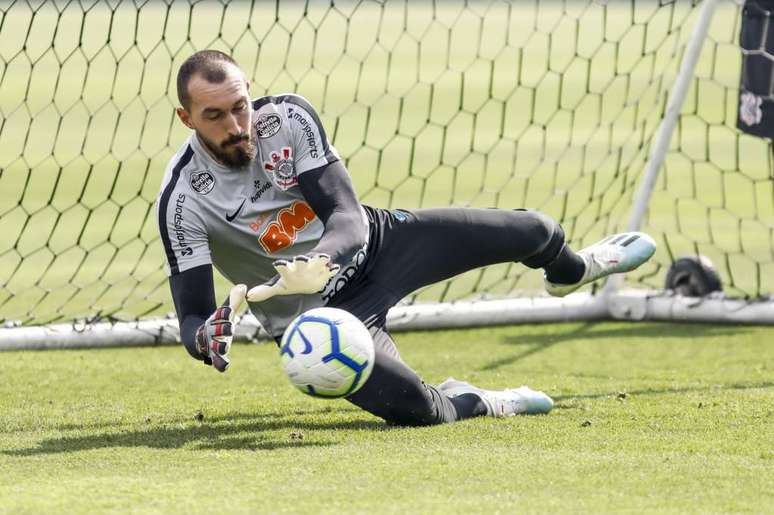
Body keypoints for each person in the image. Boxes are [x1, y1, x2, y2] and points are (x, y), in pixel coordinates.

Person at [157, 50, 656, 426]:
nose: (237, 126)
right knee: (420, 412)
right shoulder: (182, 199)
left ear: (250, 92)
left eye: (240, 107)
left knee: (538, 230)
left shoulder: (287, 118)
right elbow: (194, 316)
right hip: (321, 322)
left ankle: (573, 271)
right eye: (215, 116)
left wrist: (320, 259)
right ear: (187, 118)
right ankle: (479, 399)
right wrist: (204, 338)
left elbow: (347, 216)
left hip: (380, 247)